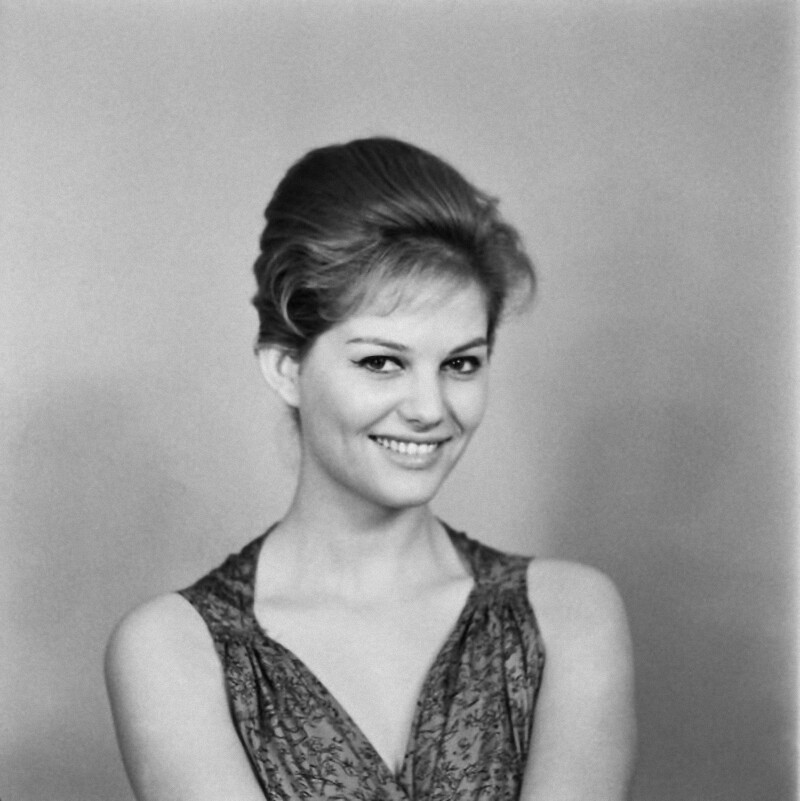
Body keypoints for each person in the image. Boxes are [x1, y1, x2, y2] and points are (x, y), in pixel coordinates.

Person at [105, 137, 636, 801]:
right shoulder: (173, 648)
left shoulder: (569, 615)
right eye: (382, 362)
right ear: (286, 367)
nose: (429, 408)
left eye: (461, 364)